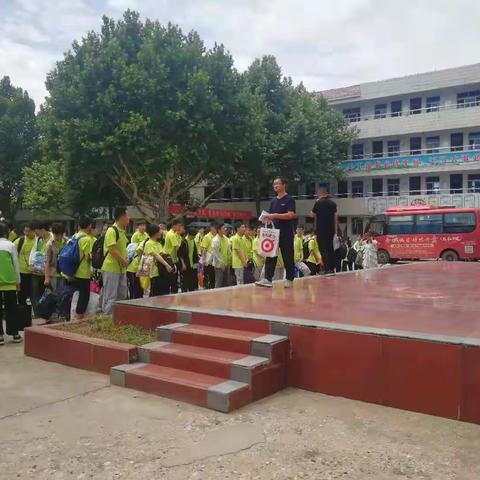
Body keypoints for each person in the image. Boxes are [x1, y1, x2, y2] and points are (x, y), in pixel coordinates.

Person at [256, 177, 296, 288]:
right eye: (274, 184)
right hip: (274, 233)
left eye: (277, 183)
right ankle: (268, 279)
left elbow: (291, 215)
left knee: (287, 255)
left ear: (284, 185)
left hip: (286, 232)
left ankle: (289, 279)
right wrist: (266, 219)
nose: (275, 186)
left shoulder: (289, 199)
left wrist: (274, 215)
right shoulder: (273, 201)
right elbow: (271, 216)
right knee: (271, 255)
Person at [101, 207, 129, 315]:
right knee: (110, 296)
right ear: (122, 217)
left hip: (121, 268)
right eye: (127, 215)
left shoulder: (122, 231)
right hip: (111, 268)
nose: (128, 218)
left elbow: (122, 249)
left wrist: (125, 260)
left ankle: (118, 318)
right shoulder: (112, 231)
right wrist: (124, 261)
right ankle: (107, 319)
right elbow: (112, 250)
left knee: (122, 295)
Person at [0, 222, 22, 344]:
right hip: (9, 282)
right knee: (12, 309)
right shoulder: (10, 245)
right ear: (6, 232)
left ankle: (0, 337)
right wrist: (18, 282)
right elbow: (16, 265)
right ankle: (15, 334)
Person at [70, 216, 95, 320]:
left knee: (77, 294)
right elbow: (88, 257)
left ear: (79, 226)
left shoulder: (74, 237)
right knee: (84, 296)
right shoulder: (87, 239)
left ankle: (73, 314)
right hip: (83, 272)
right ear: (89, 226)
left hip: (72, 271)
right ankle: (78, 317)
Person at [310, 186, 338, 274]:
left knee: (323, 249)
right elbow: (335, 217)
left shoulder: (318, 203)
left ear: (320, 193)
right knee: (330, 248)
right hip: (331, 230)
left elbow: (312, 215)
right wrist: (335, 231)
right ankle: (332, 268)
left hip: (321, 230)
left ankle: (326, 268)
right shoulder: (333, 204)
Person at [144, 224, 173, 297]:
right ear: (155, 232)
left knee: (163, 293)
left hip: (161, 272)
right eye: (160, 231)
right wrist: (167, 265)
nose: (161, 232)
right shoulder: (149, 244)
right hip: (154, 273)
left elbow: (163, 255)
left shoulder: (158, 244)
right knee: (155, 293)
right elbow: (157, 256)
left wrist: (171, 264)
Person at [30, 221, 52, 316]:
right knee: (35, 295)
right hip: (36, 272)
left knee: (47, 295)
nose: (36, 234)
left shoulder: (52, 238)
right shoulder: (38, 239)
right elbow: (33, 251)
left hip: (47, 273)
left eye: (37, 232)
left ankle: (47, 314)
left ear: (43, 230)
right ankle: (38, 314)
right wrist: (31, 264)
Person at [14, 223, 36, 307]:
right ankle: (23, 313)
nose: (26, 233)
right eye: (25, 231)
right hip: (21, 273)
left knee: (34, 295)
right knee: (21, 295)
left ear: (34, 231)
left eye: (29, 231)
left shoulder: (38, 241)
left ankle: (36, 314)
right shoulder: (19, 241)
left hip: (34, 273)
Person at [44, 223, 67, 296]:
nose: (58, 237)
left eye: (60, 234)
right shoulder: (50, 244)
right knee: (54, 295)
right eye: (56, 235)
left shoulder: (68, 242)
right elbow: (46, 261)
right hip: (53, 274)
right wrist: (47, 278)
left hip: (65, 274)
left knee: (63, 296)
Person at [163, 220, 183, 294]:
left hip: (172, 259)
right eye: (179, 225)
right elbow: (177, 247)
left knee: (173, 278)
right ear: (174, 225)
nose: (180, 227)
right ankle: (172, 295)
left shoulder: (174, 234)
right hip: (169, 259)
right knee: (172, 279)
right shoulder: (171, 234)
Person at [178, 227, 199, 292]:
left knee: (192, 281)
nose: (194, 237)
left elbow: (195, 253)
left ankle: (191, 292)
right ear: (189, 234)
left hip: (192, 264)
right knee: (185, 281)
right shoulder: (184, 242)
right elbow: (180, 254)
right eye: (193, 236)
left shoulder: (193, 241)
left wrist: (196, 263)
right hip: (186, 264)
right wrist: (183, 264)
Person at [212, 223, 230, 288]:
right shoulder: (215, 240)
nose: (225, 229)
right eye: (223, 228)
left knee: (226, 282)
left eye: (225, 228)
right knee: (218, 282)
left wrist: (228, 261)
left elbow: (228, 250)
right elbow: (217, 254)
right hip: (218, 265)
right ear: (219, 230)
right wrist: (222, 264)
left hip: (226, 264)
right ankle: (216, 297)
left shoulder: (226, 238)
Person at [200, 223, 216, 289]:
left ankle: (212, 286)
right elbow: (204, 249)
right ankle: (206, 286)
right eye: (214, 228)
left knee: (213, 275)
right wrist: (203, 260)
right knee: (207, 274)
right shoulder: (207, 237)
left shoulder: (216, 236)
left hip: (215, 259)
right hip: (208, 259)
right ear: (211, 228)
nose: (215, 229)